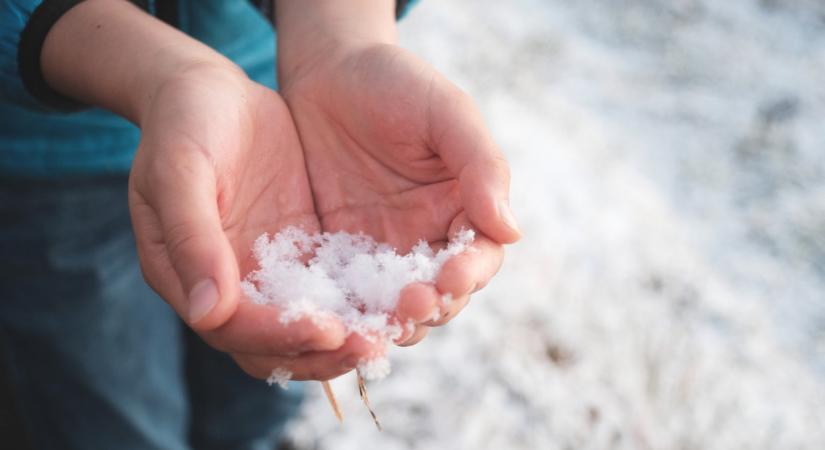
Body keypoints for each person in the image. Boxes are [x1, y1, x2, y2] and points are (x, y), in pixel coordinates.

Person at [0, 0, 521, 448]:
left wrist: (342, 44)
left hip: (271, 110)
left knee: (268, 382)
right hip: (47, 159)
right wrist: (165, 73)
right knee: (109, 408)